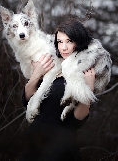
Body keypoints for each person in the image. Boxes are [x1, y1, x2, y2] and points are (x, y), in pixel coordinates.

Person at [18, 19, 96, 161]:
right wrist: (37, 74)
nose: (64, 47)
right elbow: (27, 99)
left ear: (79, 42)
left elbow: (77, 120)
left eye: (69, 41)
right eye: (60, 42)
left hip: (59, 150)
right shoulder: (54, 64)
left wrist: (89, 89)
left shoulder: (84, 70)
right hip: (33, 146)